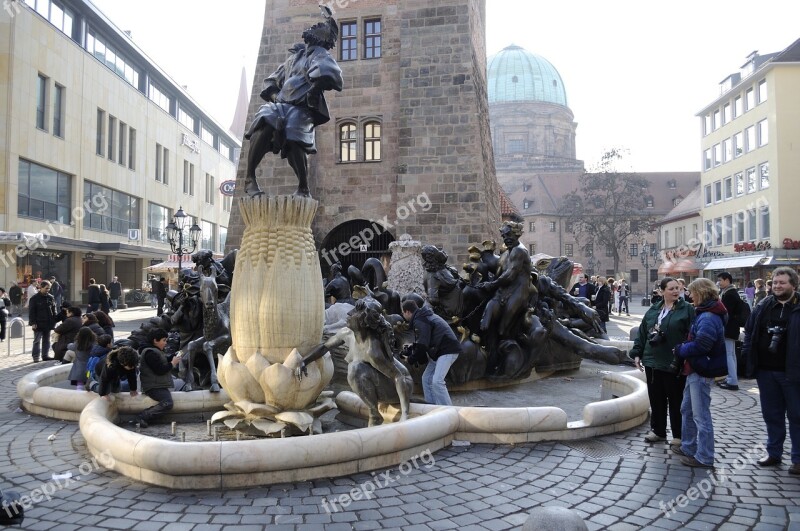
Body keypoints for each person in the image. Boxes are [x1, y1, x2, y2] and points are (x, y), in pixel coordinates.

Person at [243, 8, 343, 198]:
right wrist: (277, 100)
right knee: (265, 117)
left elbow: (331, 74)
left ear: (324, 38)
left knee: (294, 131)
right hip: (282, 104)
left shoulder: (321, 54)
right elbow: (270, 83)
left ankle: (303, 187)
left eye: (320, 26)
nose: (315, 26)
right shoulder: (294, 58)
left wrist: (314, 90)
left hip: (303, 108)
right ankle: (250, 177)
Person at [742, 267, 800, 475]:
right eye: (775, 282)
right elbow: (749, 331)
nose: (777, 286)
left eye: (782, 283)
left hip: (793, 373)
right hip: (766, 371)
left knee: (797, 416)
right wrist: (748, 356)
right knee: (772, 415)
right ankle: (774, 452)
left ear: (793, 284)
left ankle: (798, 459)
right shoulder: (764, 304)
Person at [631, 277, 695, 446]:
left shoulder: (687, 309)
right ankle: (658, 431)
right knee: (656, 398)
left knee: (675, 400)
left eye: (677, 288)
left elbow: (693, 334)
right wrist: (637, 353)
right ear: (661, 291)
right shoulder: (654, 310)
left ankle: (678, 434)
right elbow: (642, 333)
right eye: (671, 288)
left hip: (674, 361)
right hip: (652, 361)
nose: (675, 291)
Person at [672, 278, 728, 468]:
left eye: (692, 292)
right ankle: (689, 447)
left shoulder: (708, 317)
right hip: (695, 369)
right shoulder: (706, 312)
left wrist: (681, 349)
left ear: (701, 293)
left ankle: (704, 456)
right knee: (686, 409)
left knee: (700, 415)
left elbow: (703, 344)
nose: (689, 295)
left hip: (701, 370)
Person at [402, 299, 462, 406]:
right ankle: (431, 407)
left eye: (403, 312)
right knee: (426, 379)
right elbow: (425, 341)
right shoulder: (422, 317)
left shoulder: (420, 320)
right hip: (440, 352)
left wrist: (410, 359)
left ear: (407, 312)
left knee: (437, 382)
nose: (403, 315)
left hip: (447, 350)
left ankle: (449, 411)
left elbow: (423, 345)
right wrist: (413, 346)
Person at [136, 328, 182, 427]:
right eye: (164, 340)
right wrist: (173, 363)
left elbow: (163, 361)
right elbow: (160, 369)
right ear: (155, 341)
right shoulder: (150, 353)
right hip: (153, 387)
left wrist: (173, 357)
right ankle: (144, 415)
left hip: (158, 385)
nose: (166, 343)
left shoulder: (155, 350)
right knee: (168, 403)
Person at [717, 271, 749, 391]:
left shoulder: (730, 294)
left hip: (729, 328)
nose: (719, 283)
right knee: (731, 354)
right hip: (731, 327)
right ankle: (731, 378)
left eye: (720, 280)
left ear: (727, 280)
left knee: (729, 354)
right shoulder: (729, 292)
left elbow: (726, 313)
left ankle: (732, 380)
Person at [28, 280, 57, 362]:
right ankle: (36, 357)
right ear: (41, 287)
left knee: (46, 340)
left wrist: (55, 320)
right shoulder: (34, 298)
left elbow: (54, 310)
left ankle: (45, 355)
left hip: (48, 323)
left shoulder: (50, 297)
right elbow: (31, 312)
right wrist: (33, 323)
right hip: (38, 323)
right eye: (46, 288)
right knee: (37, 341)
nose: (48, 290)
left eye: (49, 288)